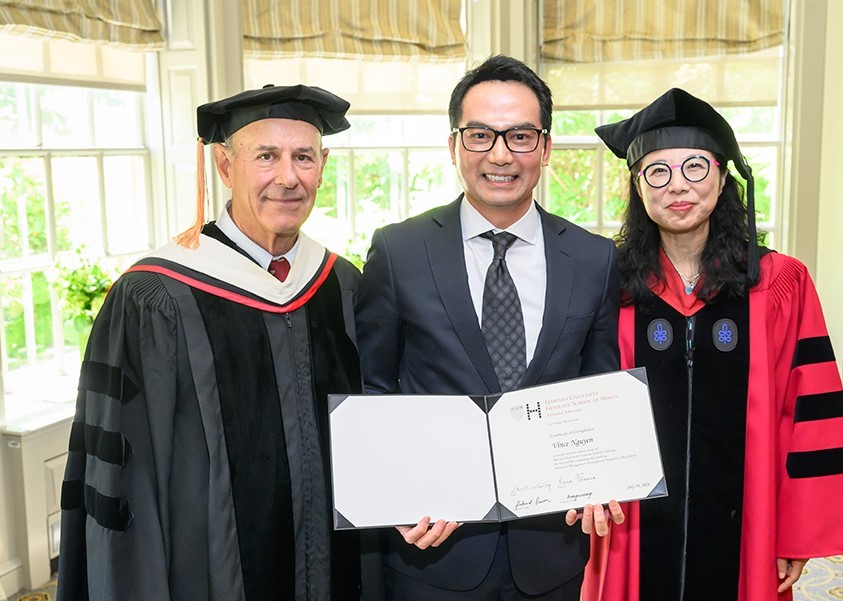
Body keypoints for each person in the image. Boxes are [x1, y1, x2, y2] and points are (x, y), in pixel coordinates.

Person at [56, 84, 364, 600]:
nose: (288, 177)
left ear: (323, 164)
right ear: (224, 166)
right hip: (202, 573)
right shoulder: (153, 295)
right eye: (265, 156)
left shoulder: (340, 285)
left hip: (331, 564)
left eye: (303, 157)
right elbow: (120, 470)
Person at [582, 88, 843, 601]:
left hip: (746, 526)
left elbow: (806, 413)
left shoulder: (779, 284)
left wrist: (795, 530)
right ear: (637, 185)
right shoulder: (608, 284)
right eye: (658, 171)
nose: (678, 186)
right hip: (630, 530)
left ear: (723, 177)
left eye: (696, 168)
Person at [354, 54, 624, 601]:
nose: (500, 154)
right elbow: (373, 389)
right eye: (480, 135)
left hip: (551, 550)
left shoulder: (594, 259)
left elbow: (600, 389)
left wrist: (602, 476)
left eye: (521, 135)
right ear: (454, 145)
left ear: (545, 148)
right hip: (432, 549)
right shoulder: (399, 250)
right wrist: (395, 494)